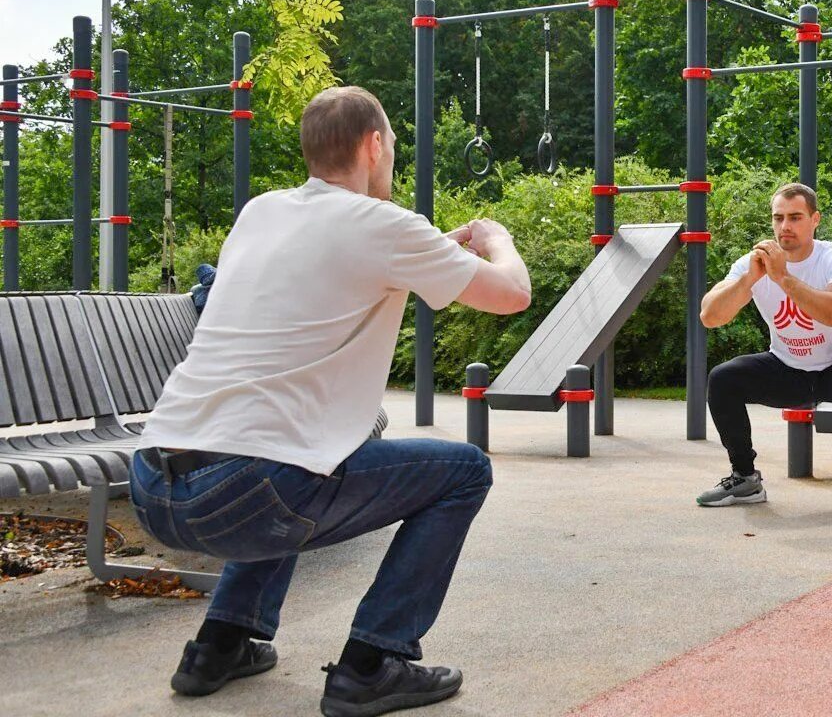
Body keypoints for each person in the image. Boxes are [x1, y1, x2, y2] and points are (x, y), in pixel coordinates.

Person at [130, 86, 532, 716]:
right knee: (463, 472)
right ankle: (373, 663)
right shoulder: (385, 225)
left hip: (153, 483)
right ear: (373, 146)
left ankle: (221, 642)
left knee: (303, 444)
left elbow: (331, 275)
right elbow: (511, 293)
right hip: (245, 496)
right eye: (392, 148)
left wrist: (427, 257)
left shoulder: (261, 212)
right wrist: (497, 239)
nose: (392, 161)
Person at [697, 183, 832, 517]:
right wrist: (748, 281)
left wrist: (784, 278)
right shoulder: (753, 263)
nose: (784, 226)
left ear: (815, 219)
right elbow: (710, 316)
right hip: (787, 367)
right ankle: (745, 478)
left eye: (795, 217)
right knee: (723, 379)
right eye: (778, 218)